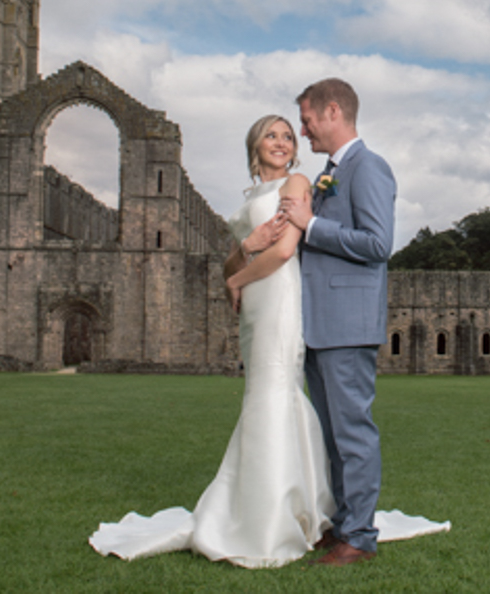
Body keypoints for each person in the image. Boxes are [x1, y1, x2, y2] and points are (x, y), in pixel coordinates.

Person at [88, 115, 334, 567]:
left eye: (286, 136)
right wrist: (243, 254)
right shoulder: (252, 196)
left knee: (275, 391)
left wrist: (237, 275)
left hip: (279, 297)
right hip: (256, 304)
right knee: (264, 393)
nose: (279, 142)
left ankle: (278, 515)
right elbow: (235, 261)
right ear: (253, 145)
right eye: (270, 135)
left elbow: (282, 252)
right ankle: (289, 503)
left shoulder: (297, 183)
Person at [272, 78, 396, 567]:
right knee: (330, 436)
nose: (302, 131)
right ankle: (343, 525)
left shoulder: (369, 167)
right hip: (320, 325)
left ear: (332, 111)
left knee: (352, 434)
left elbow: (377, 244)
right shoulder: (329, 174)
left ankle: (360, 538)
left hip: (348, 325)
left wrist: (311, 225)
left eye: (305, 120)